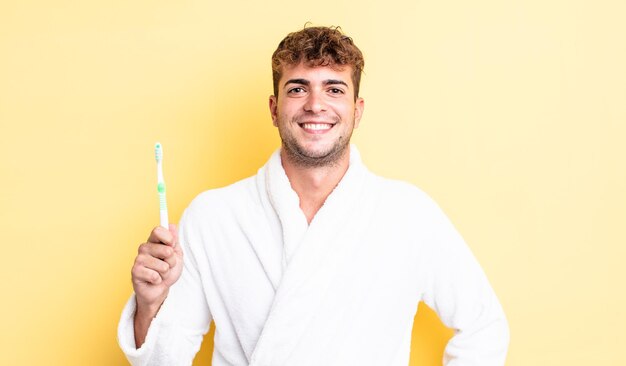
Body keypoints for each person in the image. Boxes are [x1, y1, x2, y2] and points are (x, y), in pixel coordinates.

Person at [118, 26, 510, 366]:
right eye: (297, 88)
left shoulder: (408, 214)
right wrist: (149, 306)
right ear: (274, 108)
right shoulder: (213, 217)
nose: (315, 104)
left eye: (334, 88)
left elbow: (484, 326)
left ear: (357, 111)